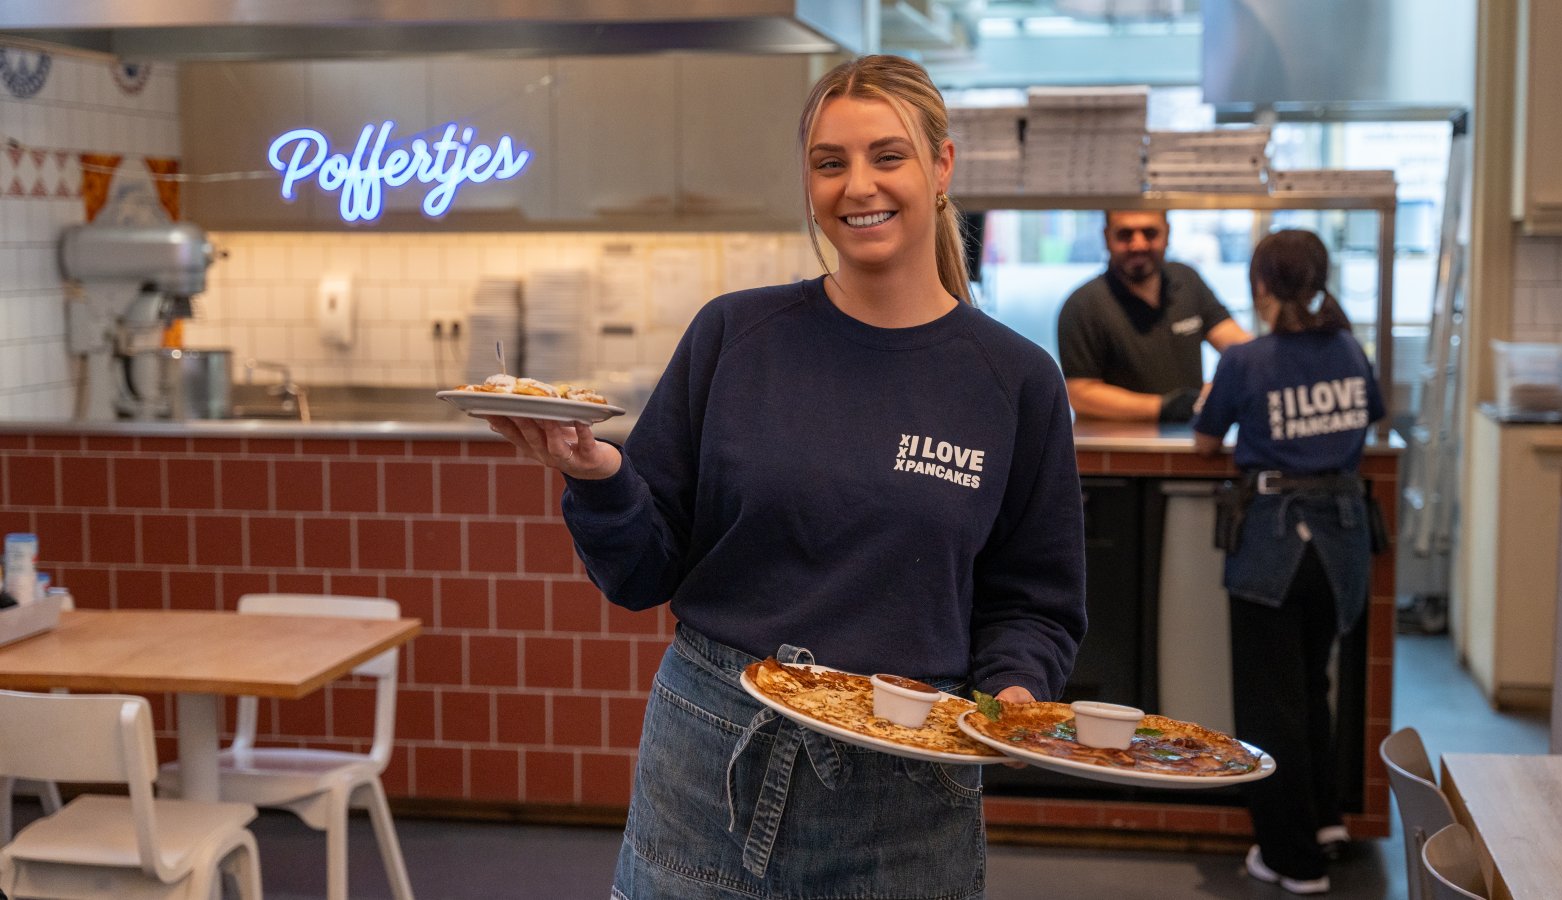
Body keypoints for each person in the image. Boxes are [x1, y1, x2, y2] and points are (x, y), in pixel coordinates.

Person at [484, 55, 1087, 900]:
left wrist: (1014, 698)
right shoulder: (736, 336)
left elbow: (1035, 600)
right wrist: (599, 475)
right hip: (708, 760)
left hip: (907, 783)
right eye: (829, 163)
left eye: (888, 156)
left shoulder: (1015, 381)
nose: (858, 186)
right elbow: (640, 573)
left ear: (942, 166)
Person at [1193, 229, 1385, 896]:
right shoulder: (1351, 351)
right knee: (1311, 689)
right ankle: (1325, 820)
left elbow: (1205, 438)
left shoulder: (1248, 361)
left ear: (1261, 286)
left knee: (1270, 708)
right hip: (1342, 546)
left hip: (1274, 544)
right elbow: (1373, 420)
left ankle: (1291, 859)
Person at [1057, 210, 1252, 421]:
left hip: (1191, 443)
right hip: (1120, 447)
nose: (1138, 245)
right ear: (1106, 237)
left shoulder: (1187, 280)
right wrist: (1164, 407)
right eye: (1125, 234)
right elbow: (1080, 394)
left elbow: (1239, 347)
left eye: (1150, 233)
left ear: (1167, 233)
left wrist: (1225, 386)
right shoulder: (1083, 305)